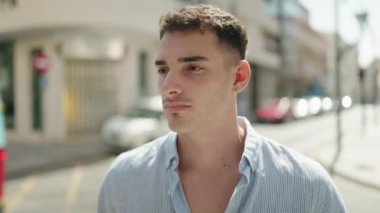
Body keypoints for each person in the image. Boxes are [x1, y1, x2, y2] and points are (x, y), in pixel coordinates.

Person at [98, 4, 346, 213]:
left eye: (193, 68)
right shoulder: (123, 180)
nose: (168, 86)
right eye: (163, 70)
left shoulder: (308, 189)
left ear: (239, 77)